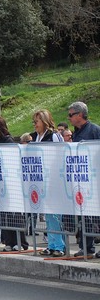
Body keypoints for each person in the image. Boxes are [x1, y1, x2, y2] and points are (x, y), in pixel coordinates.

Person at [0, 115, 28, 251]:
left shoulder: (8, 141)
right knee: (3, 214)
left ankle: (21, 242)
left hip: (10, 182)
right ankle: (9, 241)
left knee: (14, 214)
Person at [30, 109, 65, 257]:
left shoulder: (54, 136)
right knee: (48, 215)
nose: (34, 125)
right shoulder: (37, 137)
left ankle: (59, 245)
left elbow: (59, 155)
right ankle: (51, 244)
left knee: (55, 214)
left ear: (44, 121)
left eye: (36, 122)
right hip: (42, 179)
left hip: (54, 179)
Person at [67, 101, 100, 257]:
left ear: (80, 115)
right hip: (82, 181)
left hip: (95, 180)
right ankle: (86, 247)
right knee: (84, 215)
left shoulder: (94, 131)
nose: (69, 118)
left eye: (71, 115)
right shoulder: (76, 133)